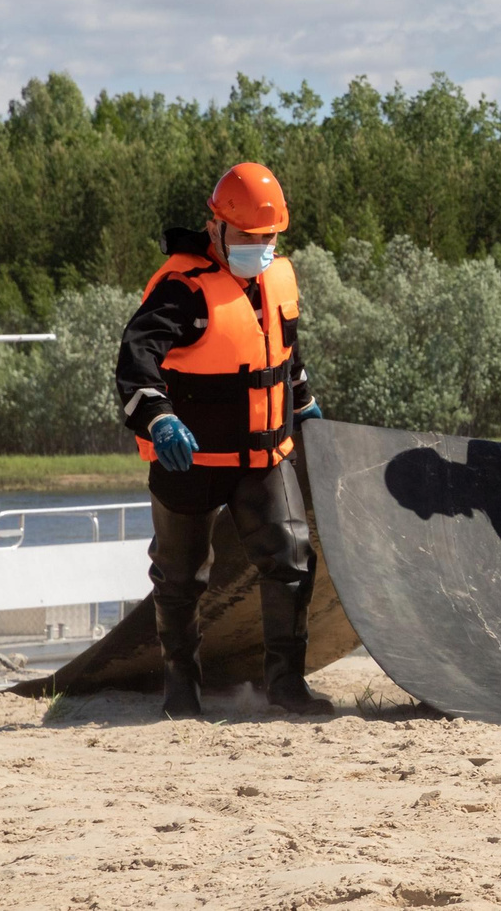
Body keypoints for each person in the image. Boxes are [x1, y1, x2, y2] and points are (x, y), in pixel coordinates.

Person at [115, 161, 331, 719]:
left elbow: (284, 354)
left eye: (268, 237)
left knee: (292, 558)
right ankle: (181, 689)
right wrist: (158, 419)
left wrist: (304, 405)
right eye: (248, 237)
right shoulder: (182, 290)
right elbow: (136, 357)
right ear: (215, 227)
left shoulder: (277, 279)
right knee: (180, 579)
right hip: (188, 458)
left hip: (263, 456)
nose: (259, 248)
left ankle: (287, 685)